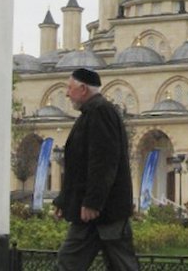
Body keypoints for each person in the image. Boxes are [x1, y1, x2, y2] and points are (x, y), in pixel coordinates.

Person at [53, 68, 138, 270]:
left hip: (103, 212)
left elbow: (103, 161)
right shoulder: (91, 113)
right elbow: (78, 168)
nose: (66, 93)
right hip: (92, 212)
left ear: (83, 89)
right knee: (68, 263)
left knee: (120, 265)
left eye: (69, 88)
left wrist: (93, 202)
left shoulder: (101, 112)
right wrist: (64, 200)